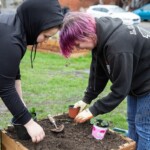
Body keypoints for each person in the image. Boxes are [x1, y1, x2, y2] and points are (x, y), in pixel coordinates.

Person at [59, 12, 150, 150]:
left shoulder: (117, 47)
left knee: (143, 126)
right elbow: (99, 73)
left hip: (147, 82)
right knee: (132, 121)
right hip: (138, 78)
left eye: (78, 44)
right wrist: (86, 99)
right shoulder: (99, 35)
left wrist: (93, 110)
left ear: (86, 34)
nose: (79, 48)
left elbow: (120, 90)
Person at [0, 0, 63, 143]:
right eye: (46, 36)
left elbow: (12, 70)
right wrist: (29, 123)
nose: (46, 41)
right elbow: (4, 87)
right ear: (36, 22)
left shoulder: (16, 26)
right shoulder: (11, 39)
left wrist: (20, 101)